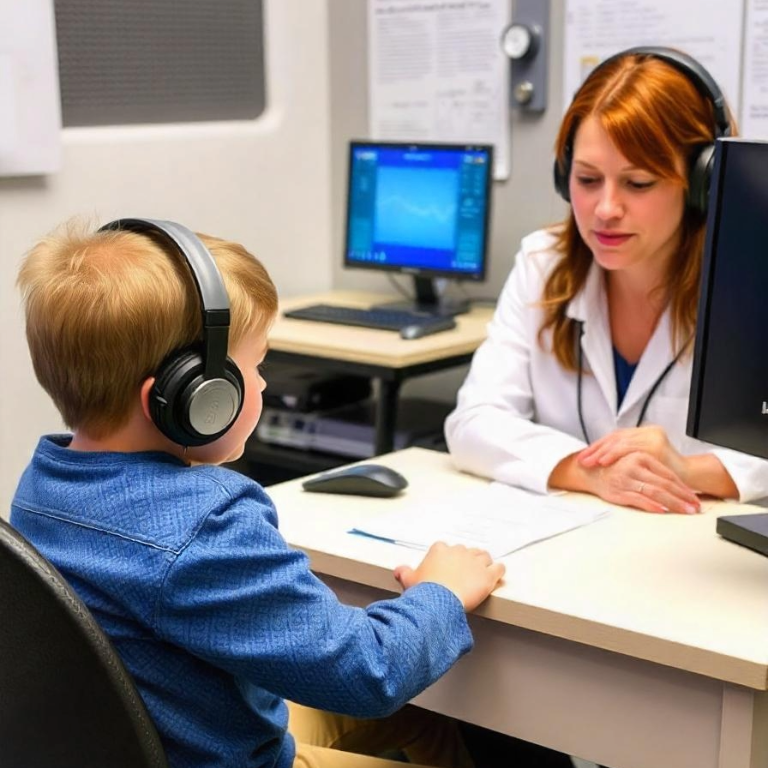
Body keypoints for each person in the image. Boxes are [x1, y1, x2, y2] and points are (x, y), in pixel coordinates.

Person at [11, 217, 507, 768]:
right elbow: (369, 671)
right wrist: (440, 592)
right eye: (256, 364)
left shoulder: (41, 483)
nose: (265, 384)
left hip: (179, 738)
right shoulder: (207, 524)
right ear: (193, 395)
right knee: (408, 692)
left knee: (428, 712)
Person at [446, 47, 768, 512]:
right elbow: (473, 420)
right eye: (587, 179)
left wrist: (688, 470)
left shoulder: (752, 280)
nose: (605, 210)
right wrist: (590, 471)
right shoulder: (544, 264)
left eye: (638, 183)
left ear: (703, 184)